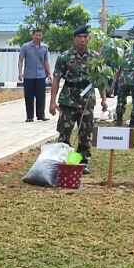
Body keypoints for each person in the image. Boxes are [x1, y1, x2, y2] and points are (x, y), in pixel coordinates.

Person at [49, 25, 107, 172]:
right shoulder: (64, 57)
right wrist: (52, 101)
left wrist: (104, 99)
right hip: (68, 98)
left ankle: (82, 162)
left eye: (85, 37)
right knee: (64, 132)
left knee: (85, 132)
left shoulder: (95, 57)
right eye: (79, 37)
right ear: (74, 39)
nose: (82, 40)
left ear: (89, 39)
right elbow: (56, 78)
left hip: (87, 99)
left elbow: (100, 79)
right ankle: (62, 160)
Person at [17, 27, 52, 122]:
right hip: (28, 76)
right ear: (32, 35)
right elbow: (20, 60)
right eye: (36, 35)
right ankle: (29, 116)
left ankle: (41, 115)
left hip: (41, 75)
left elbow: (46, 62)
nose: (38, 37)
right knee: (29, 96)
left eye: (40, 35)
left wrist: (49, 74)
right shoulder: (25, 47)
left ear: (42, 36)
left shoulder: (44, 47)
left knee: (41, 96)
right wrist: (20, 72)